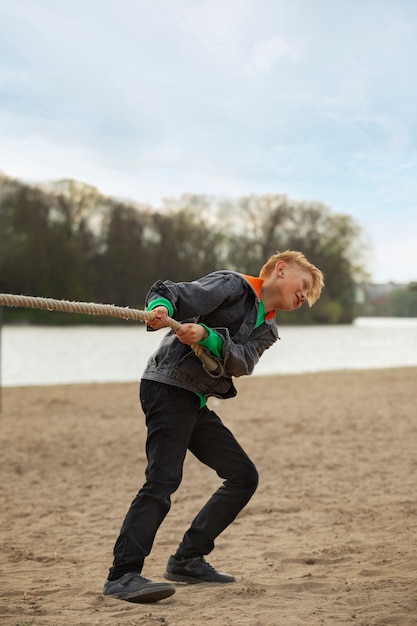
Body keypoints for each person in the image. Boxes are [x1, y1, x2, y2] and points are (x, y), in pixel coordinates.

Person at [103, 250, 324, 603]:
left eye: (309, 296)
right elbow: (177, 293)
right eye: (304, 286)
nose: (304, 296)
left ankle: (187, 559)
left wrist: (209, 337)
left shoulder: (267, 330)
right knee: (163, 481)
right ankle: (122, 575)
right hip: (167, 386)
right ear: (280, 269)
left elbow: (242, 362)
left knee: (243, 476)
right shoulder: (232, 285)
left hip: (194, 400)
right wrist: (162, 308)